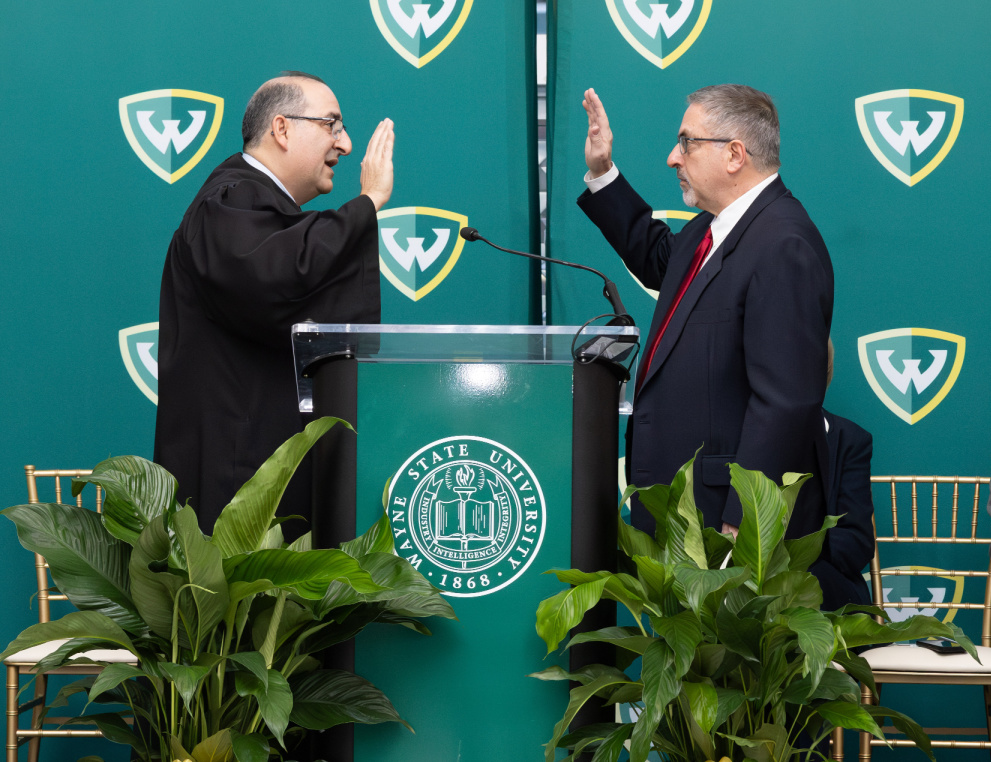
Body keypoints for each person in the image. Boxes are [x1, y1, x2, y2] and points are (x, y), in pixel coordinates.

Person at [578, 84, 833, 539]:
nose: (674, 158)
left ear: (735, 154)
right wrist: (602, 172)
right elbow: (660, 258)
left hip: (722, 522)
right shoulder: (709, 230)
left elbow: (785, 402)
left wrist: (744, 517)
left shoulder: (783, 244)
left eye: (686, 143)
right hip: (686, 511)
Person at [154, 71, 394, 535]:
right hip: (239, 481)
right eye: (332, 125)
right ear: (282, 129)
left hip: (264, 468)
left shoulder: (263, 211)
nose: (344, 145)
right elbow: (274, 279)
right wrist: (368, 202)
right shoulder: (229, 200)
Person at [816, 340, 875, 609]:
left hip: (830, 592)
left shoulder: (850, 440)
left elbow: (857, 545)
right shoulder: (744, 441)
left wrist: (798, 544)